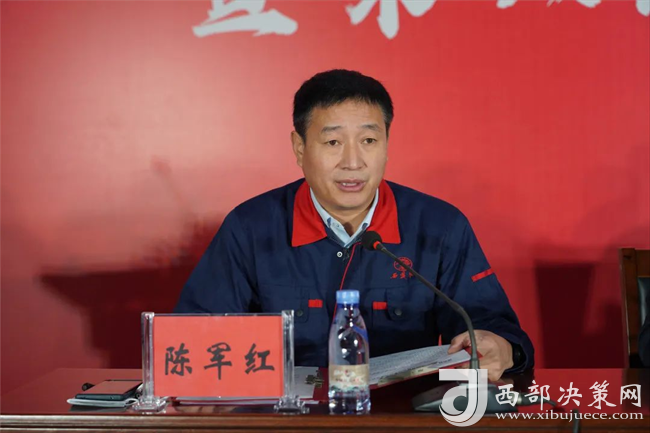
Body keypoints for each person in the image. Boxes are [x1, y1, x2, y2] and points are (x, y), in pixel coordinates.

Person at [174, 69, 534, 380]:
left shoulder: (439, 226)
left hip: (400, 420)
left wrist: (502, 347)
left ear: (387, 145)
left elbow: (490, 326)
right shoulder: (250, 227)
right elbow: (195, 336)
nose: (353, 161)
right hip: (285, 421)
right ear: (299, 148)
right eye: (333, 142)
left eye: (369, 141)